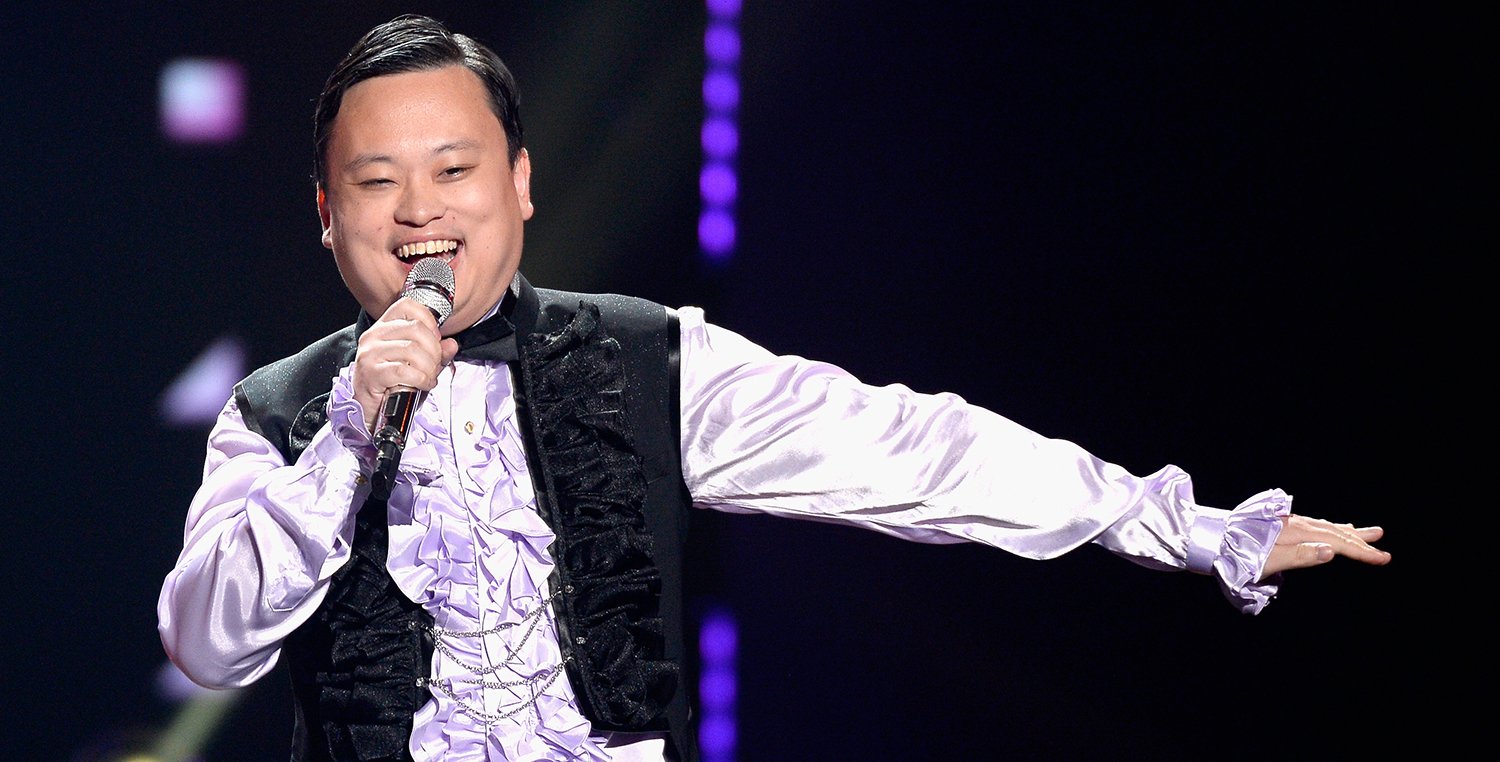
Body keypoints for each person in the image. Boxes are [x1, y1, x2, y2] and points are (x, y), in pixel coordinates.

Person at [156, 13, 1391, 762]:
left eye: (453, 168)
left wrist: (1183, 527)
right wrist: (351, 435)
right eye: (377, 181)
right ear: (327, 214)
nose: (419, 210)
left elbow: (915, 451)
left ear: (520, 183)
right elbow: (208, 644)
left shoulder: (644, 358)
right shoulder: (278, 412)